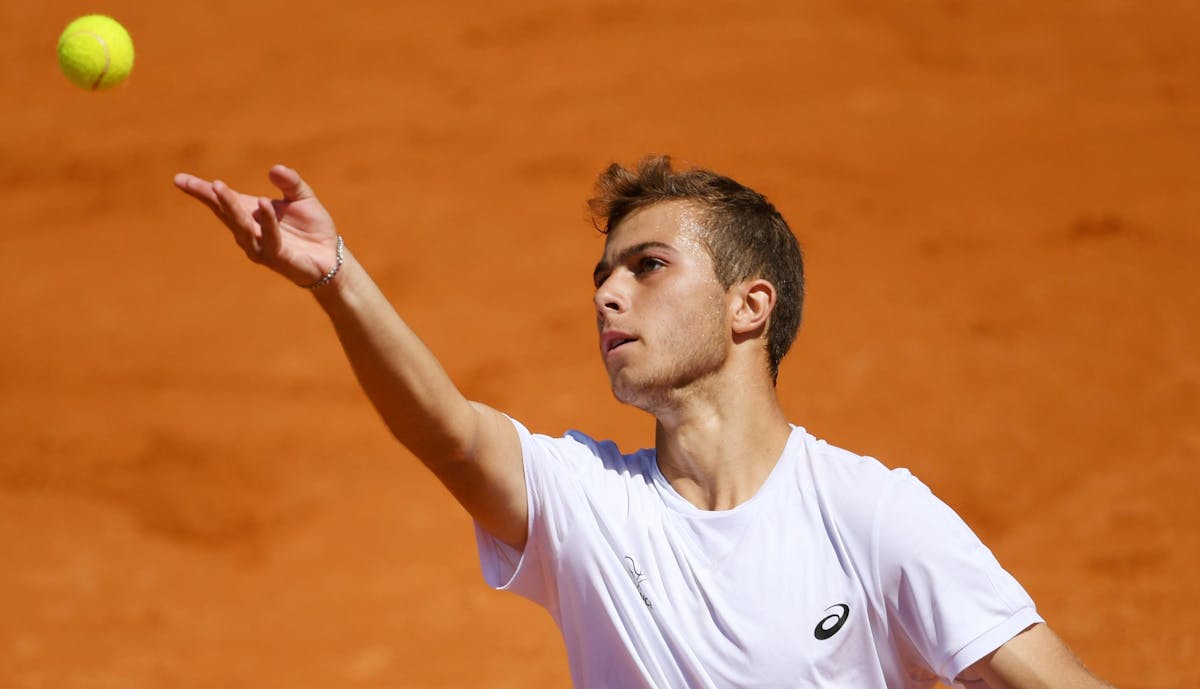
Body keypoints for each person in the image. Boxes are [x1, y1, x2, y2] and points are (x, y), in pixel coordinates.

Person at [174, 156, 1115, 689]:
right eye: (602, 276)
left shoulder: (871, 518)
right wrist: (337, 277)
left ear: (751, 306)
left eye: (649, 267)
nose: (608, 296)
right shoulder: (592, 503)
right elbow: (451, 435)